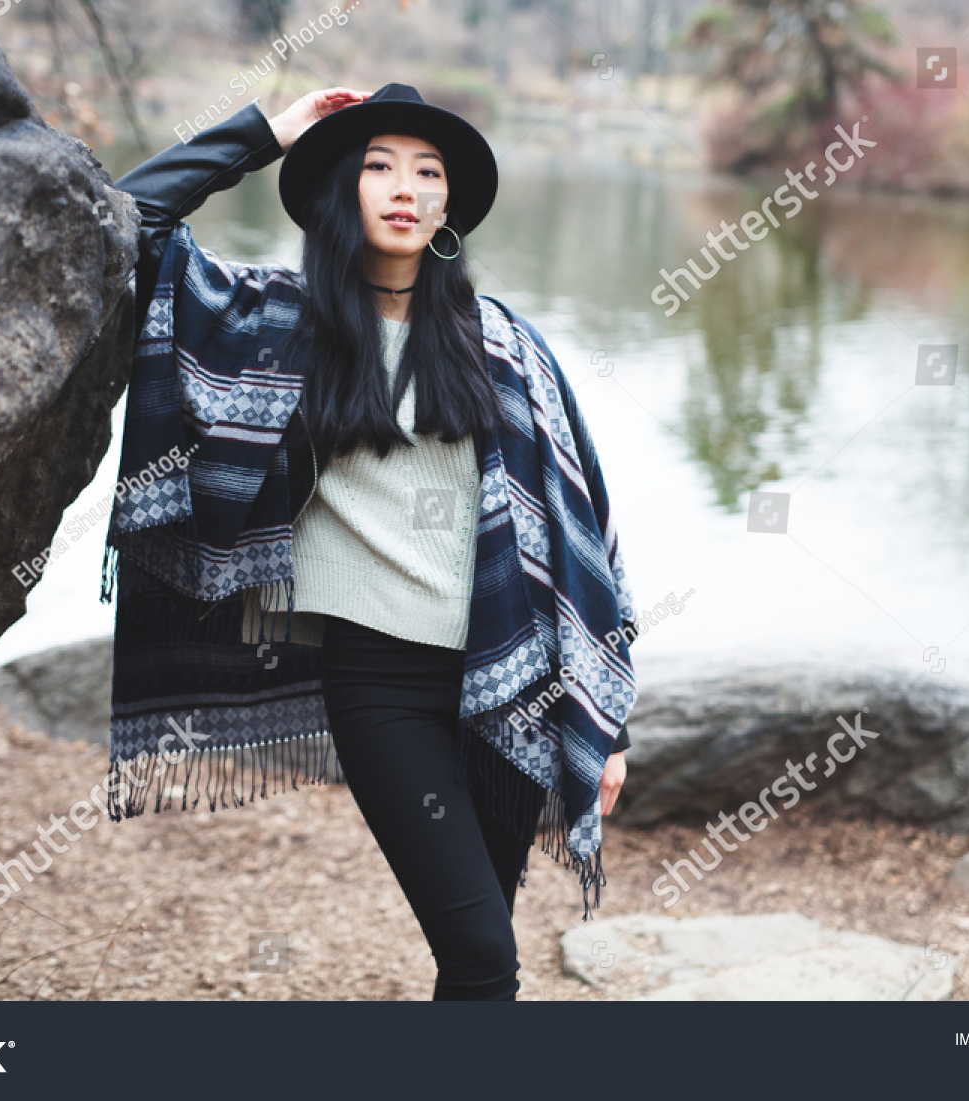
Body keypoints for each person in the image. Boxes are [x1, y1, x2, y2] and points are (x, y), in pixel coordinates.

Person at [103, 84, 638, 1001]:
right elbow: (129, 219)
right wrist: (267, 133)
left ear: (448, 207)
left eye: (429, 173)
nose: (407, 187)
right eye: (379, 165)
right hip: (381, 685)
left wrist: (610, 722)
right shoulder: (277, 324)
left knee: (478, 952)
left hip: (508, 680)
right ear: (340, 192)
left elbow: (586, 531)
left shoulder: (505, 343)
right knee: (485, 957)